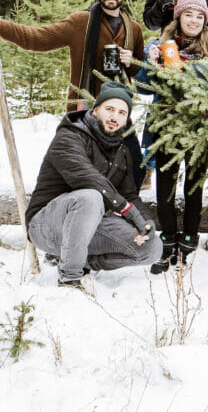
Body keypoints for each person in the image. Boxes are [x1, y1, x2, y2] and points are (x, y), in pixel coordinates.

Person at [25, 81, 161, 288]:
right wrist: (128, 211)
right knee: (91, 196)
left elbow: (130, 195)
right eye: (109, 109)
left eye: (122, 113)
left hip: (88, 229)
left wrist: (145, 222)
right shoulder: (69, 137)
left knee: (152, 248)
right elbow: (88, 179)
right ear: (96, 110)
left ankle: (85, 262)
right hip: (47, 227)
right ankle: (69, 278)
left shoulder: (121, 150)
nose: (115, 117)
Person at [137, 0, 208, 273]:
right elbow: (143, 88)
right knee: (165, 186)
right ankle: (167, 240)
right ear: (178, 18)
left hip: (200, 127)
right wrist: (151, 64)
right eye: (189, 15)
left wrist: (188, 70)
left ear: (205, 22)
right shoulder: (158, 46)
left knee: (194, 186)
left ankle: (189, 237)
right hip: (166, 125)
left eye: (200, 17)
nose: (194, 21)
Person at [0, 0, 145, 112]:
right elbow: (36, 38)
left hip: (119, 110)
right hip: (82, 109)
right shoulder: (80, 22)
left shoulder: (134, 29)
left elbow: (140, 70)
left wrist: (130, 62)